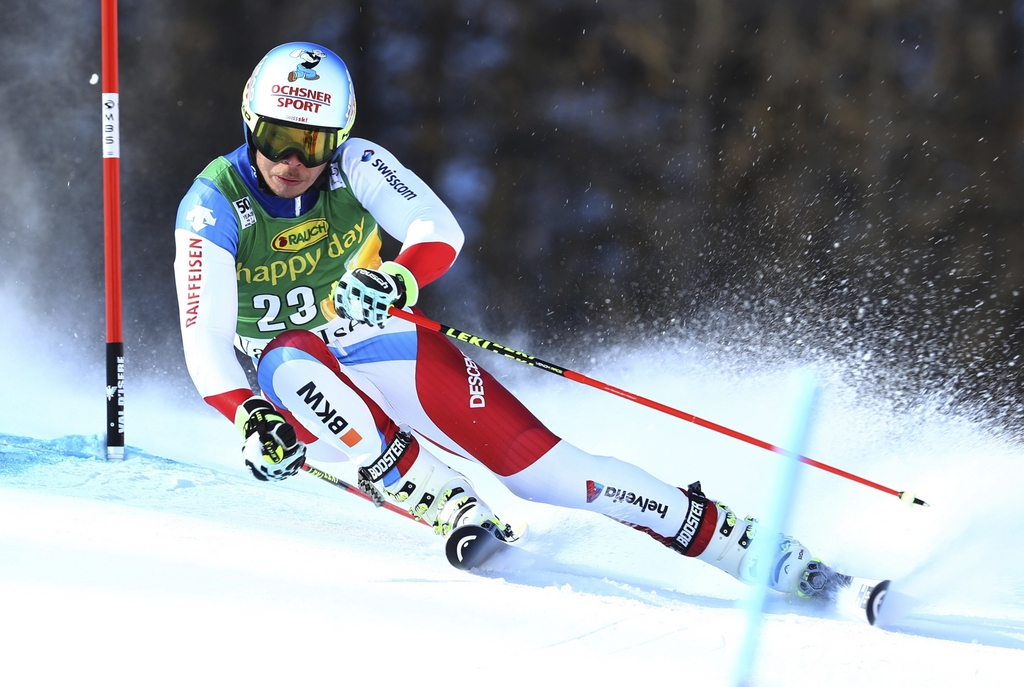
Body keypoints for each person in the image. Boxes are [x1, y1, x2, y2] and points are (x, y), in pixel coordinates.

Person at [174, 42, 839, 599]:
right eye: (276, 136)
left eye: (311, 142)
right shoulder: (215, 204)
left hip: (367, 337)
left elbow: (438, 228)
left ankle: (738, 540)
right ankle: (445, 499)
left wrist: (399, 276)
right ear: (249, 124)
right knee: (287, 360)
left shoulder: (357, 166)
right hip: (293, 389)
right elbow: (203, 338)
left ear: (337, 139)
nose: (291, 160)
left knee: (545, 471)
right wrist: (246, 415)